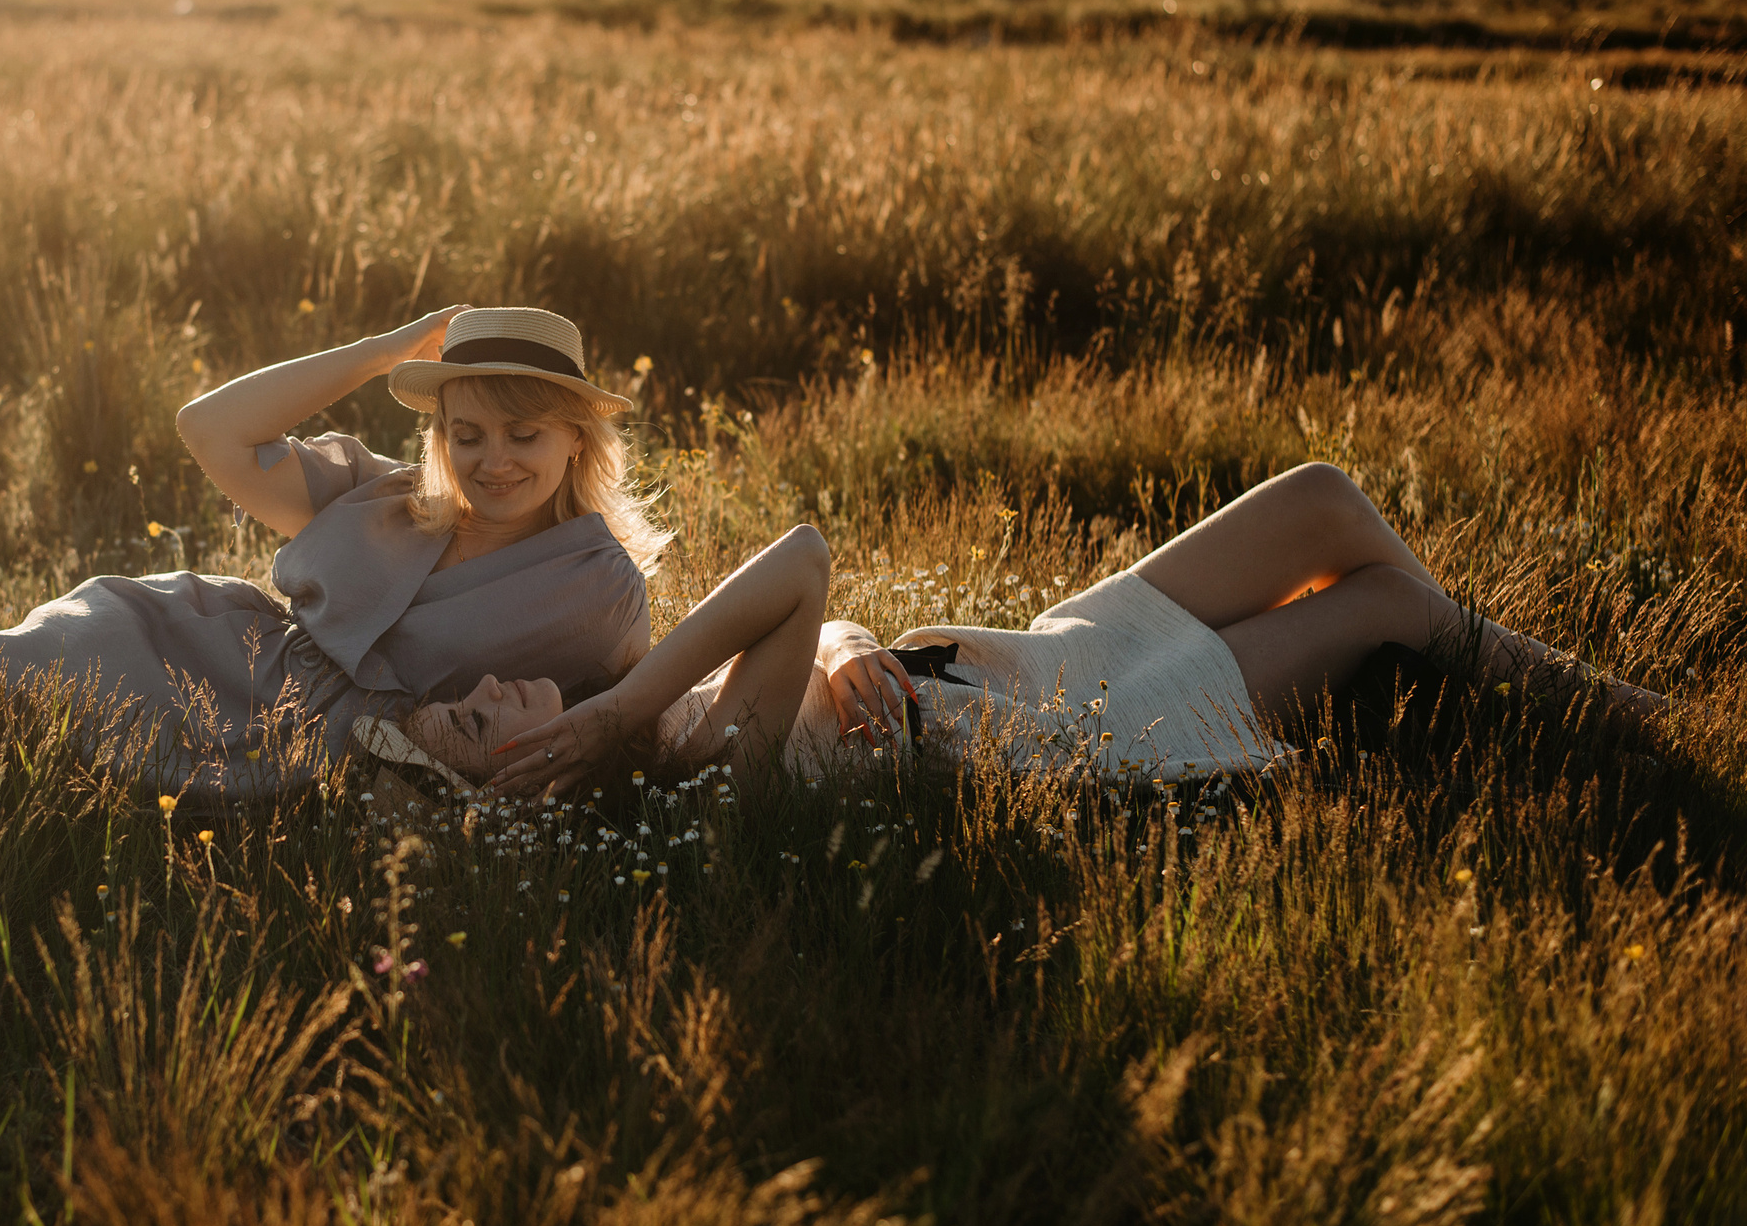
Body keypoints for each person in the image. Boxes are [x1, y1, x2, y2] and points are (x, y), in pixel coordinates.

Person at [0, 305, 668, 801]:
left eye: (524, 433)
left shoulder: (598, 589)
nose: (495, 460)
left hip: (332, 755)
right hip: (209, 653)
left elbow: (654, 708)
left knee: (60, 787)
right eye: (467, 433)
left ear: (577, 441)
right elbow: (210, 428)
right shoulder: (385, 495)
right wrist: (383, 353)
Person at [420, 462, 1669, 798]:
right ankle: (1634, 724)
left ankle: (1442, 683)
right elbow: (797, 559)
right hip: (1086, 722)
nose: (487, 680)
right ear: (538, 774)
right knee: (1387, 601)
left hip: (1022, 649)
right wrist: (622, 716)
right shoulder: (704, 764)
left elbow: (819, 602)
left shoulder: (665, 699)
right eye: (480, 717)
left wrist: (851, 645)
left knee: (1323, 498)